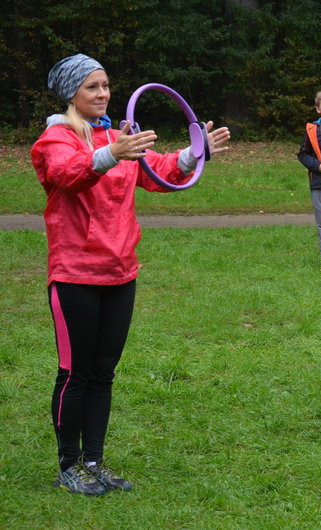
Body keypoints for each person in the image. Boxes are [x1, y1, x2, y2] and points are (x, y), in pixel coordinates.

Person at [30, 53, 231, 496]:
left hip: (120, 272)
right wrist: (109, 153)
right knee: (75, 372)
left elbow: (156, 171)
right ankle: (69, 465)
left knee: (103, 372)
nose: (102, 93)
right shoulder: (55, 139)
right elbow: (69, 174)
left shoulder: (117, 134)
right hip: (75, 274)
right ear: (71, 94)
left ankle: (95, 460)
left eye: (105, 85)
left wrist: (194, 153)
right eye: (91, 87)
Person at [297, 89, 321, 271]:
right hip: (319, 183)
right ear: (318, 109)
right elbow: (303, 154)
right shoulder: (312, 129)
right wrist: (317, 165)